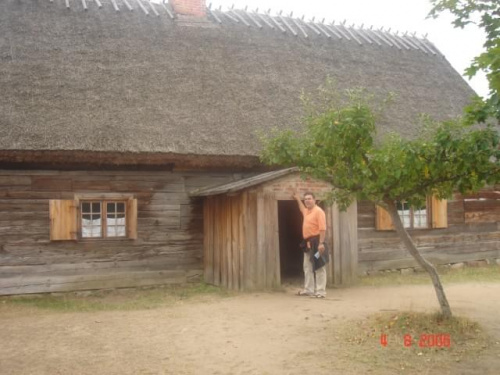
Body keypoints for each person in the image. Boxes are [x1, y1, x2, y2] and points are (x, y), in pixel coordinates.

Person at [293, 191, 328, 298]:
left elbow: (322, 229)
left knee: (319, 266)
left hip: (317, 242)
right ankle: (309, 290)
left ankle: (321, 292)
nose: (307, 201)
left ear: (314, 200)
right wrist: (297, 199)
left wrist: (321, 244)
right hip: (308, 243)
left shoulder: (318, 211)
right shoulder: (307, 211)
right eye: (306, 199)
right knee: (307, 267)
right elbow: (301, 209)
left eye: (309, 198)